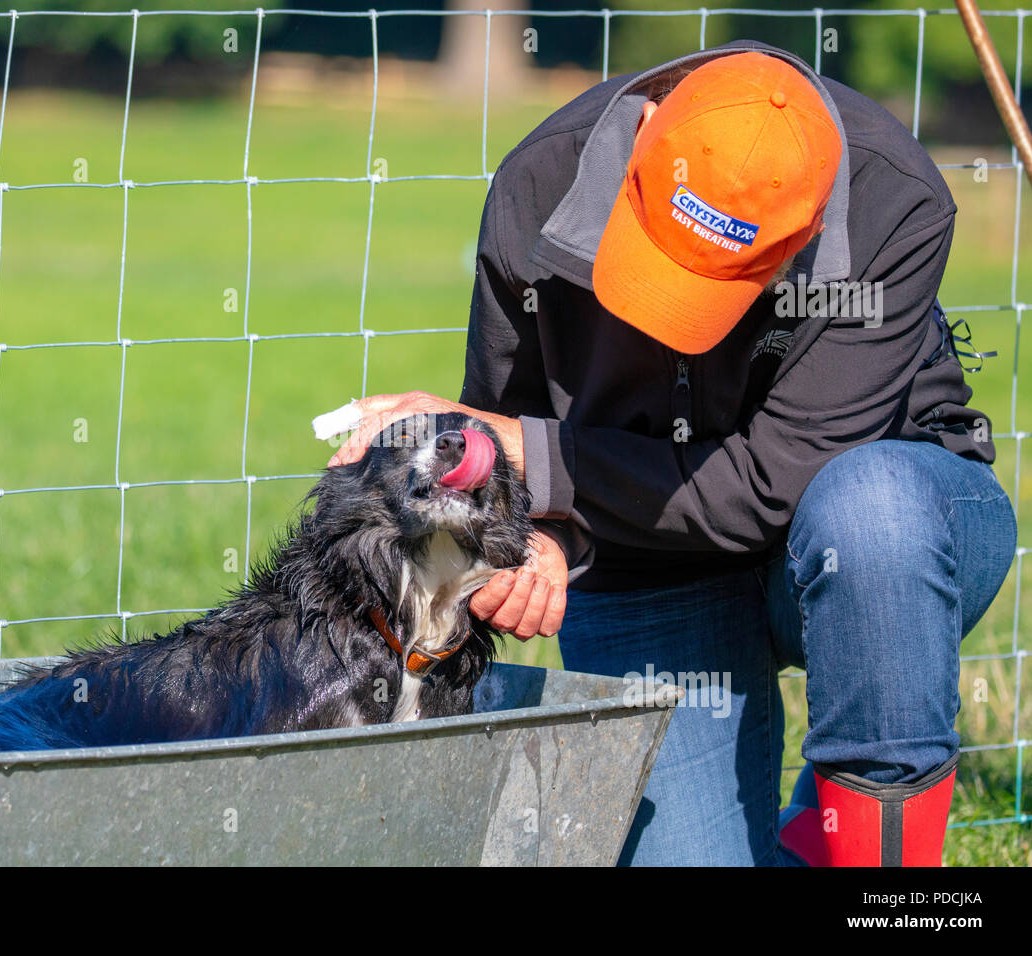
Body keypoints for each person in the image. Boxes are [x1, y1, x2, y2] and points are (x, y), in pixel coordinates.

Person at [328, 40, 1017, 866]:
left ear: (807, 230)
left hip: (879, 536)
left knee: (872, 518)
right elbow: (513, 436)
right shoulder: (537, 184)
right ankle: (815, 836)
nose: (668, 319)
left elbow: (769, 484)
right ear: (646, 133)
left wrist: (527, 455)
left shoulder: (893, 204)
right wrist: (542, 539)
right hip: (645, 559)